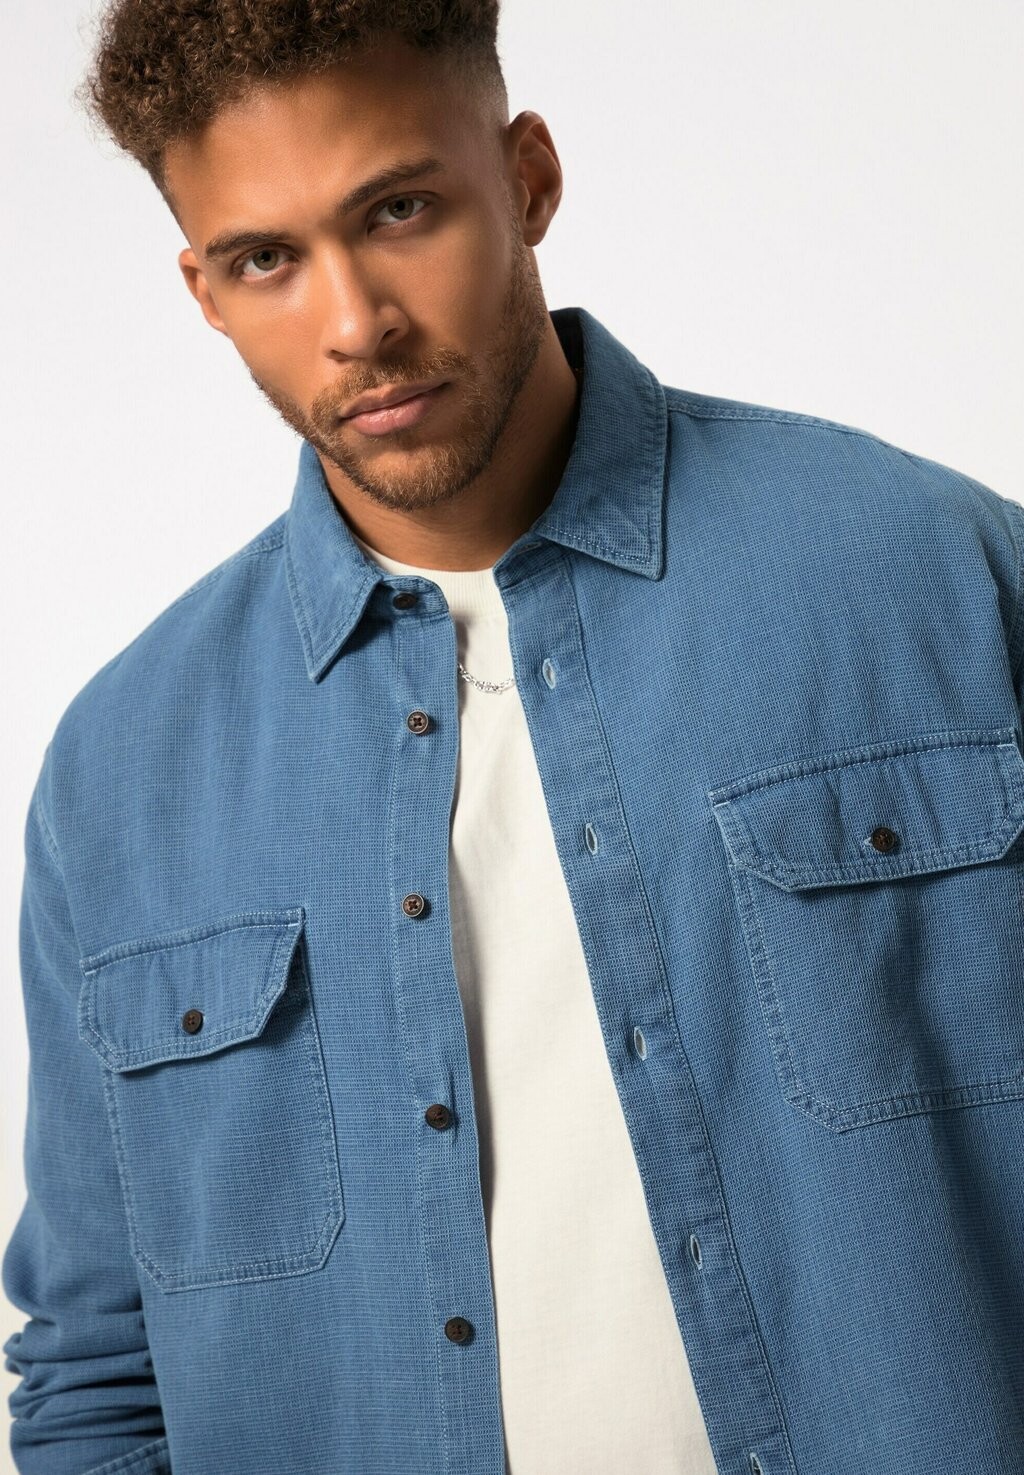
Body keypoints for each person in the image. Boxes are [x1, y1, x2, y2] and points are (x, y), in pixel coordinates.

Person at [4, 3, 1023, 1473]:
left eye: (399, 210)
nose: (356, 322)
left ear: (528, 177)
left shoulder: (936, 582)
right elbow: (100, 1378)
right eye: (267, 258)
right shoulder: (122, 774)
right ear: (204, 291)